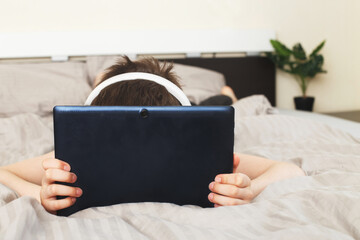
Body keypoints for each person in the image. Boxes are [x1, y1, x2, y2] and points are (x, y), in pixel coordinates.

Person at [0, 56, 305, 214]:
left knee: (220, 103)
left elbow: (291, 170)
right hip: (107, 94)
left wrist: (249, 190)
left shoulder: (195, 141)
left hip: (190, 107)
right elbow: (3, 173)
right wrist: (39, 194)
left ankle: (227, 94)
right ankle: (101, 80)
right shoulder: (70, 157)